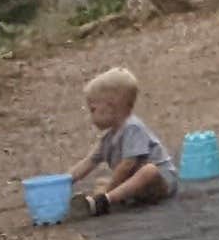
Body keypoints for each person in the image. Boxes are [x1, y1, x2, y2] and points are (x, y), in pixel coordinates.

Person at [73, 64, 175, 216]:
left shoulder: (133, 128)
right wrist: (63, 182)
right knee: (102, 181)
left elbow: (128, 164)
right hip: (139, 188)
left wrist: (109, 188)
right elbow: (88, 162)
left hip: (161, 181)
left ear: (111, 105)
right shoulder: (108, 139)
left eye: (93, 110)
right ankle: (106, 197)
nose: (91, 117)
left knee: (148, 171)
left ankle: (104, 200)